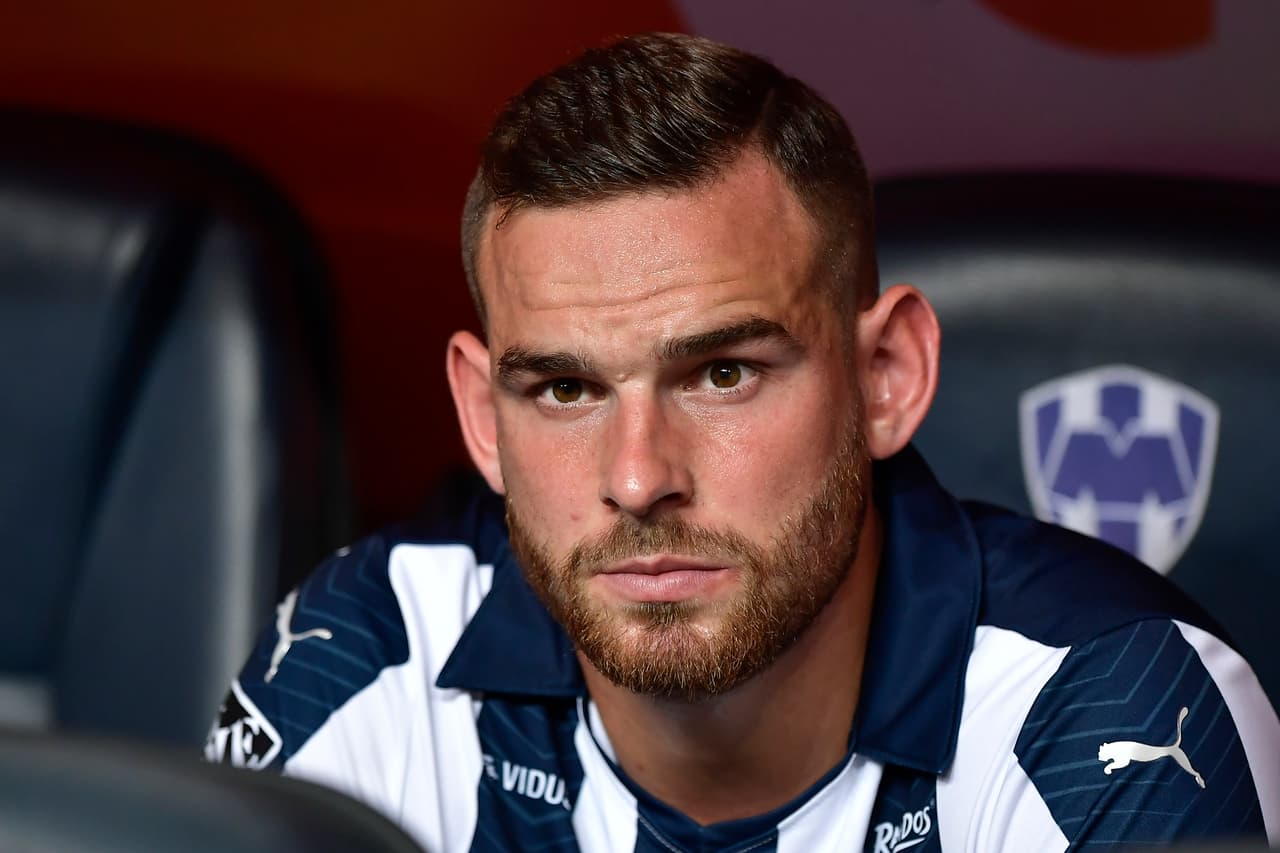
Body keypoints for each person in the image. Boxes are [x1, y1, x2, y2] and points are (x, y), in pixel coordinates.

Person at [206, 32, 1280, 852]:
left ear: (886, 377)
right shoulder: (366, 659)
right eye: (567, 387)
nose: (636, 477)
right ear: (484, 418)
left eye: (721, 373)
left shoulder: (1107, 708)